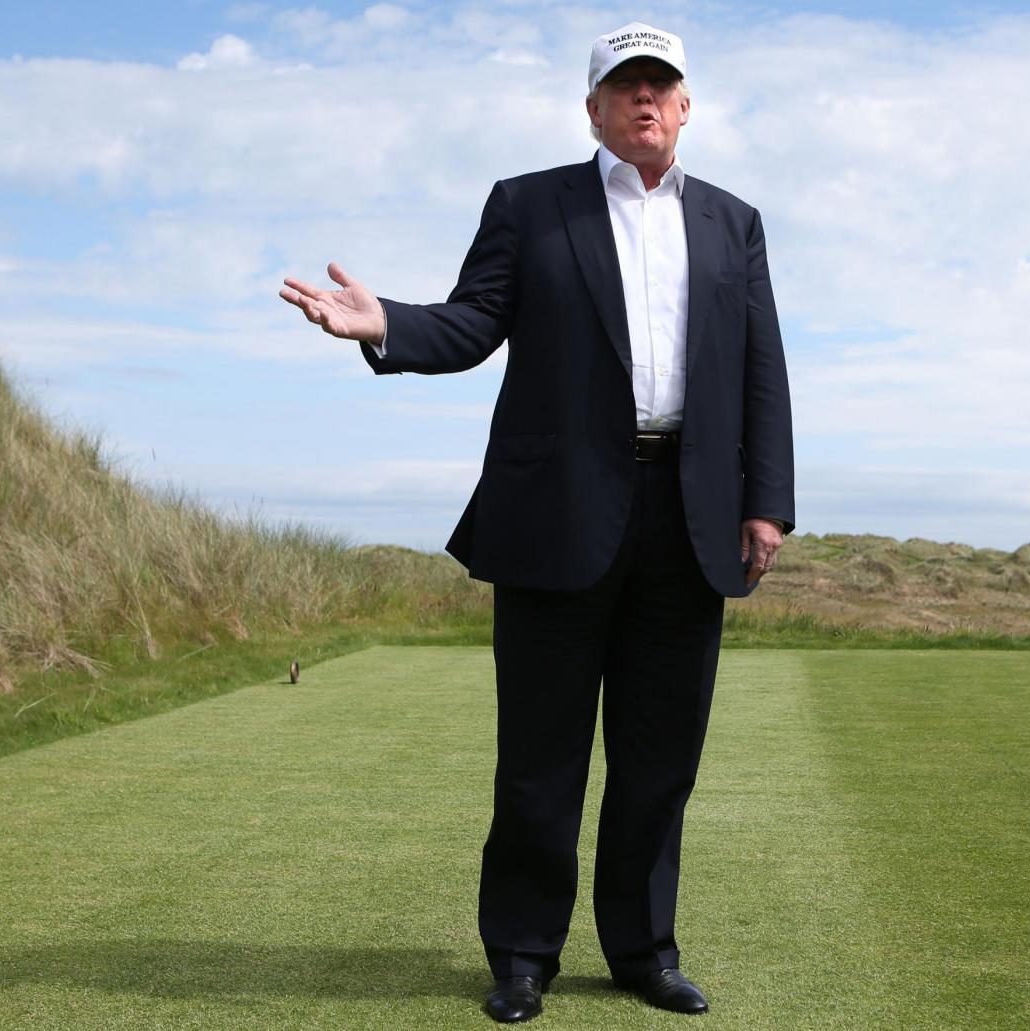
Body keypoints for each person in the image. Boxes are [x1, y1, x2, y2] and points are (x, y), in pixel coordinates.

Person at [280, 21, 794, 1024]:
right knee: (539, 758)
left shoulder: (733, 222)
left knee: (659, 759)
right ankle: (521, 955)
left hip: (688, 517)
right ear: (593, 109)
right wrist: (386, 323)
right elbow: (475, 321)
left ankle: (643, 951)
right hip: (555, 512)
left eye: (661, 85)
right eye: (625, 85)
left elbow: (761, 365)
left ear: (685, 106)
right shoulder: (528, 204)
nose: (644, 99)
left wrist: (765, 500)